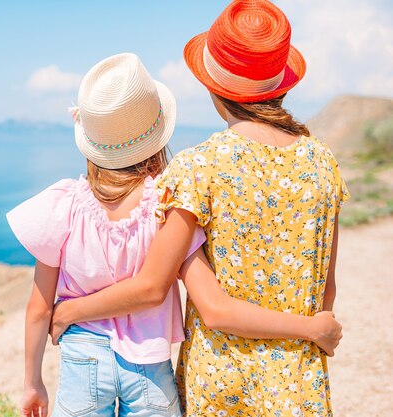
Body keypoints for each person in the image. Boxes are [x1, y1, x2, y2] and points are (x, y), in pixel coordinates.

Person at [50, 2, 349, 416]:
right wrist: (312, 329)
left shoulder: (198, 167)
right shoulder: (323, 163)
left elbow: (181, 297)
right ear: (282, 83)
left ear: (214, 88)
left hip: (223, 383)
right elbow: (325, 291)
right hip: (298, 379)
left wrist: (67, 310)